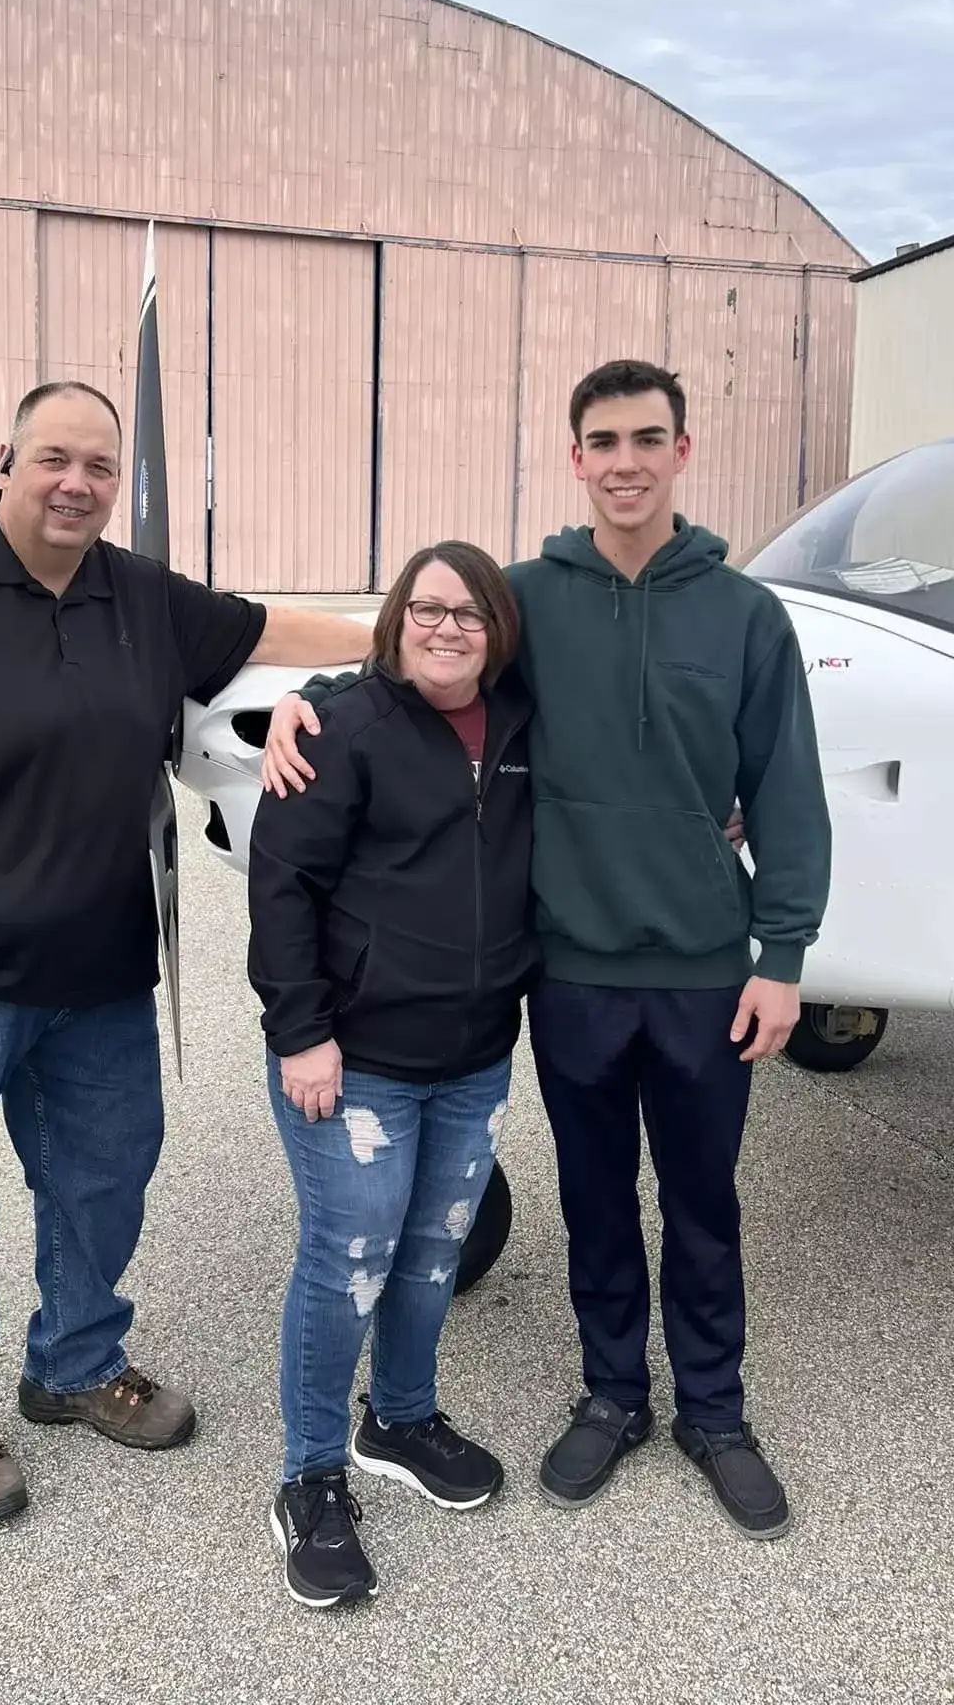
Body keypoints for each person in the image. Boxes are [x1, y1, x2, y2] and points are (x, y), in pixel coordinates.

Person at [0, 380, 372, 1528]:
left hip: (98, 970)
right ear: (7, 460)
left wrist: (415, 639)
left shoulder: (134, 594)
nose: (77, 483)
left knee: (103, 1176)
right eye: (55, 458)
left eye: (99, 465)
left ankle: (76, 1362)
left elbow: (264, 630)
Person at [263, 359, 830, 1541]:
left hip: (704, 972)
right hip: (569, 973)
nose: (625, 459)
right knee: (594, 1197)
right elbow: (424, 652)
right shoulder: (529, 598)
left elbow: (788, 786)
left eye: (647, 437)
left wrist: (783, 950)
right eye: (602, 440)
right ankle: (615, 1391)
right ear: (575, 458)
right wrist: (303, 698)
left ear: (682, 449)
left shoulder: (746, 615)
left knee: (704, 1200)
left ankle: (715, 1411)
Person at [248, 543, 534, 1608]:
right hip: (353, 1054)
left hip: (473, 1052)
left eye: (467, 613)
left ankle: (400, 1418)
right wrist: (300, 1030)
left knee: (431, 1251)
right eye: (426, 609)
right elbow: (281, 885)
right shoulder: (343, 727)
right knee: (349, 1257)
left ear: (497, 630)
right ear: (397, 619)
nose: (446, 628)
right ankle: (311, 1473)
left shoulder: (519, 724)